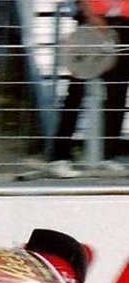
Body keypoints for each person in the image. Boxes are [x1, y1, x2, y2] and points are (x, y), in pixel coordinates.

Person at [49, 0, 129, 178]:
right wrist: (92, 17)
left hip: (124, 26)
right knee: (76, 92)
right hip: (93, 26)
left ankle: (108, 155)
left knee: (117, 95)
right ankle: (60, 157)